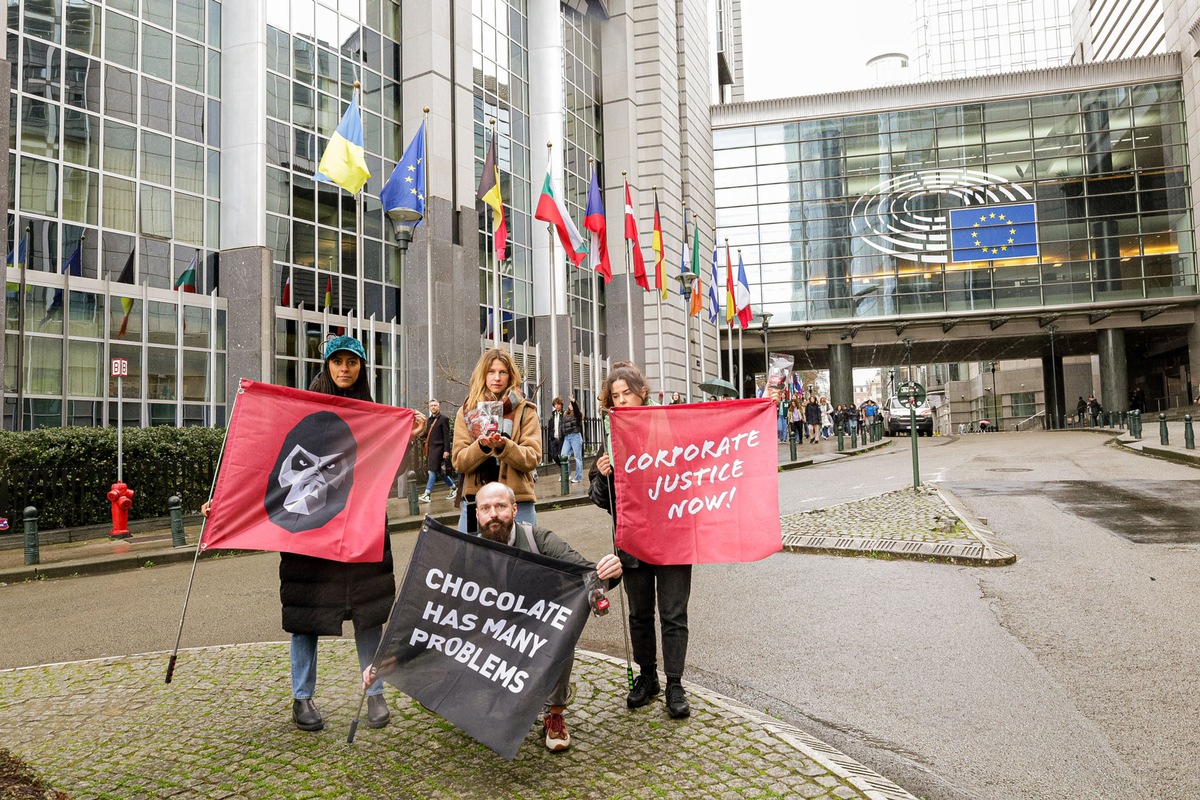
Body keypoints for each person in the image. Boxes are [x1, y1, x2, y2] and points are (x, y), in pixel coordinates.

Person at [204, 335, 423, 733]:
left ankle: (373, 693)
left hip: (359, 530)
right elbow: (261, 458)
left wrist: (408, 438)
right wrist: (223, 505)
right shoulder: (299, 413)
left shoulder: (375, 417)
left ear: (361, 368)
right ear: (326, 365)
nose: (344, 368)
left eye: (352, 361)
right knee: (306, 618)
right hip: (306, 537)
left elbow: (385, 477)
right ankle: (302, 697)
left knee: (367, 615)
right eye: (337, 361)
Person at [589, 361, 693, 720]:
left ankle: (675, 682)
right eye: (615, 397)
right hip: (632, 539)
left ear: (642, 392)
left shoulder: (669, 424)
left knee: (673, 613)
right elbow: (602, 500)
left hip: (672, 537)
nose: (621, 402)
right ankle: (647, 677)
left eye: (626, 394)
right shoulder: (610, 437)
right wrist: (603, 477)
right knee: (639, 613)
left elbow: (695, 471)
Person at [452, 347, 542, 530]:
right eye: (491, 372)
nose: (497, 378)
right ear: (483, 375)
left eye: (503, 372)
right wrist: (483, 447)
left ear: (510, 376)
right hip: (476, 503)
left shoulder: (526, 411)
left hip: (518, 502)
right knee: (471, 557)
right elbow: (459, 461)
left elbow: (532, 457)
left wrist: (504, 446)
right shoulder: (467, 411)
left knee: (521, 556)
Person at [419, 399, 457, 503]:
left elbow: (446, 436)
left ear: (438, 407)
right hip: (432, 449)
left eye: (435, 405)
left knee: (432, 471)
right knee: (441, 472)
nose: (433, 407)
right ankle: (454, 488)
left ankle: (427, 494)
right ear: (429, 408)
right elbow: (427, 433)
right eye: (431, 406)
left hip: (439, 449)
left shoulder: (443, 419)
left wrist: (446, 450)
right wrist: (417, 432)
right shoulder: (430, 420)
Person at [560, 396, 585, 484]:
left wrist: (574, 402)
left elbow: (577, 411)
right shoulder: (566, 414)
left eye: (571, 404)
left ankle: (578, 477)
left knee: (577, 458)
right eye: (570, 404)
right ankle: (568, 473)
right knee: (563, 455)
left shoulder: (578, 415)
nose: (570, 405)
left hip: (575, 437)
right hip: (567, 437)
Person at [547, 397, 565, 466]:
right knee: (554, 456)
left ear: (561, 405)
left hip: (561, 438)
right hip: (554, 438)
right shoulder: (553, 415)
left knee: (561, 455)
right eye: (555, 404)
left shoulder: (564, 414)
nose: (557, 406)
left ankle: (564, 472)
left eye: (558, 404)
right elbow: (550, 426)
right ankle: (562, 468)